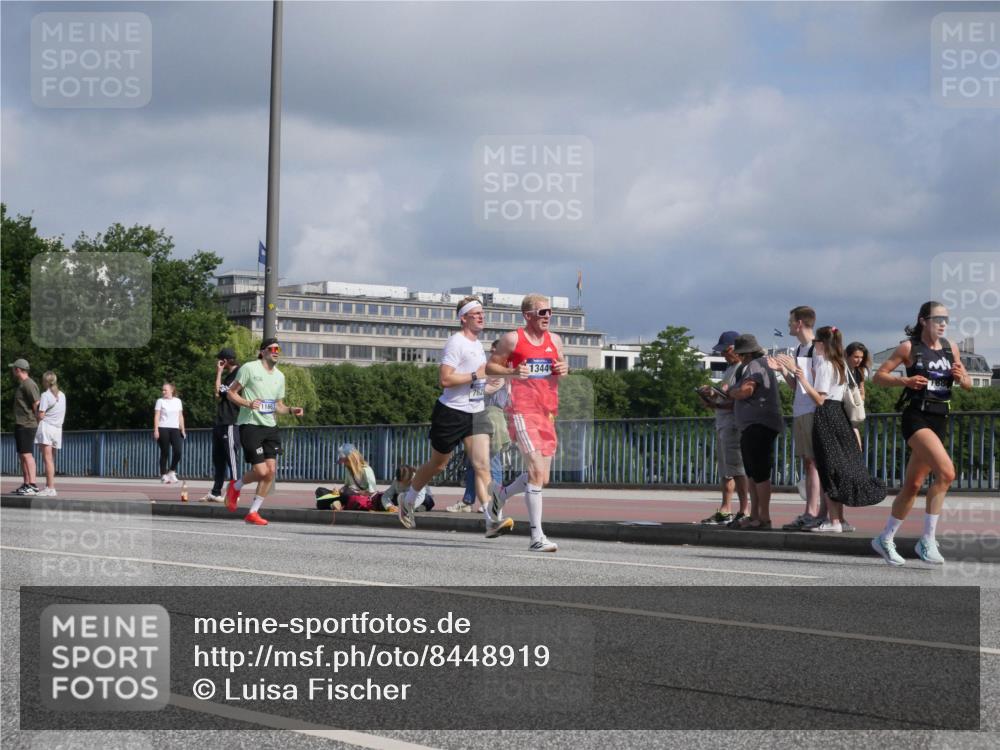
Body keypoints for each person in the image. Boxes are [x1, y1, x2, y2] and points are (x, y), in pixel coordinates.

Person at [870, 302, 971, 565]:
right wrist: (905, 380)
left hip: (941, 418)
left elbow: (969, 385)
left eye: (946, 319)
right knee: (947, 473)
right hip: (917, 416)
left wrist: (962, 378)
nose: (943, 323)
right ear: (923, 320)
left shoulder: (951, 348)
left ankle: (885, 538)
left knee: (913, 486)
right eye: (937, 318)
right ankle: (927, 541)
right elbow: (878, 377)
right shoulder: (909, 347)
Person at [398, 296, 506, 538]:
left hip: (476, 412)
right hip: (451, 412)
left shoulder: (478, 345)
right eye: (476, 313)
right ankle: (409, 498)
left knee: (482, 465)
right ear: (463, 318)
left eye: (482, 313)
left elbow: (475, 382)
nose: (481, 316)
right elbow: (445, 380)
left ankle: (491, 518)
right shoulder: (455, 343)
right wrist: (477, 376)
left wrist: (489, 386)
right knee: (439, 463)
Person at [487, 293, 568, 553]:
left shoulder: (555, 340)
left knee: (542, 477)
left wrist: (563, 369)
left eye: (549, 312)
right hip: (521, 410)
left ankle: (500, 495)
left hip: (547, 412)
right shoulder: (513, 339)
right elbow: (491, 367)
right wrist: (512, 371)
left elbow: (560, 367)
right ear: (528, 315)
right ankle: (536, 536)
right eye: (542, 312)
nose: (548, 316)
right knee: (534, 471)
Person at [794, 327, 885, 533]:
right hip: (840, 417)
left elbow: (820, 399)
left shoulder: (826, 365)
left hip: (826, 416)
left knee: (829, 468)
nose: (814, 344)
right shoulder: (842, 365)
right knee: (839, 466)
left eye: (817, 341)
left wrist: (803, 379)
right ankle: (840, 519)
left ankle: (833, 521)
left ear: (823, 343)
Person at [225, 338, 304, 526]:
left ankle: (252, 512)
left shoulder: (280, 376)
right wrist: (248, 403)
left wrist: (292, 410)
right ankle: (235, 486)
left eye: (279, 349)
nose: (276, 351)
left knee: (271, 472)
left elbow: (279, 406)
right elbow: (231, 392)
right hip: (250, 424)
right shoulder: (250, 368)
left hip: (270, 427)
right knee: (261, 471)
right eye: (272, 348)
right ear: (263, 352)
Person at [773, 306, 825, 531]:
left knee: (815, 462)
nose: (788, 325)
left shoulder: (817, 349)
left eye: (791, 321)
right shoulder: (798, 350)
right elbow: (796, 387)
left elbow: (819, 384)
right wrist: (784, 371)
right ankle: (810, 509)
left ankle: (814, 511)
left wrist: (794, 369)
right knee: (807, 461)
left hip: (814, 410)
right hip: (801, 409)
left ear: (800, 323)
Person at [725, 334, 784, 530]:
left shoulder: (755, 365)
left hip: (759, 424)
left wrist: (731, 392)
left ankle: (763, 517)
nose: (739, 358)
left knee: (759, 472)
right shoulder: (759, 363)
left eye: (741, 354)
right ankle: (756, 515)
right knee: (752, 473)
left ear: (746, 353)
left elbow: (746, 391)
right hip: (754, 424)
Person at [448, 339, 510, 513]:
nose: (491, 351)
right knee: (472, 462)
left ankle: (494, 502)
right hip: (477, 415)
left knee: (492, 462)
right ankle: (468, 500)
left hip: (492, 416)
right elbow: (475, 391)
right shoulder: (485, 368)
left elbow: (479, 391)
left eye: (495, 348)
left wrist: (475, 388)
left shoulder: (501, 371)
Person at [696, 331, 749, 526]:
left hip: (734, 424)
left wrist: (715, 403)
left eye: (726, 351)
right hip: (724, 423)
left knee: (737, 469)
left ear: (735, 348)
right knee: (726, 470)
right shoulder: (730, 368)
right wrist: (712, 394)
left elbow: (737, 400)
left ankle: (744, 510)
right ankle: (726, 508)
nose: (723, 355)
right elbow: (726, 395)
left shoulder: (742, 368)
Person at [204, 348, 241, 502]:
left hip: (231, 421)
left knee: (231, 459)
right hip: (220, 422)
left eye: (220, 360)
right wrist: (219, 373)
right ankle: (216, 491)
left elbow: (222, 391)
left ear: (225, 360)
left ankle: (234, 493)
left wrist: (219, 373)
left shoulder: (240, 373)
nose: (218, 363)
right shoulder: (227, 376)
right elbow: (217, 393)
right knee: (218, 459)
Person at [9, 358, 40, 496]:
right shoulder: (22, 384)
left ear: (18, 370)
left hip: (28, 424)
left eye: (13, 368)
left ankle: (33, 484)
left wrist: (37, 420)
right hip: (21, 424)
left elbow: (37, 404)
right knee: (22, 455)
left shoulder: (29, 384)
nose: (12, 371)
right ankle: (26, 483)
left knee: (27, 455)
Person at [34, 371, 67, 498]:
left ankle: (50, 488)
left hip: (47, 428)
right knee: (51, 460)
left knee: (47, 460)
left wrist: (36, 409)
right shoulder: (62, 395)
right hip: (58, 429)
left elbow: (41, 415)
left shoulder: (45, 395)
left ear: (46, 382)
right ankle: (50, 486)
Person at [153, 383, 185, 483]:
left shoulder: (178, 401)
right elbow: (157, 416)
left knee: (178, 451)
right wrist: (156, 430)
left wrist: (183, 429)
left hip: (175, 428)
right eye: (162, 390)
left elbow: (180, 416)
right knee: (165, 452)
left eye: (165, 390)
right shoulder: (160, 401)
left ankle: (171, 471)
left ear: (171, 390)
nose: (163, 392)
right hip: (163, 428)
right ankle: (163, 475)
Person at [845, 341, 871, 447]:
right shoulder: (842, 369)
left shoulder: (859, 371)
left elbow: (862, 391)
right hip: (842, 410)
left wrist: (859, 398)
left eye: (861, 357)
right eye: (856, 357)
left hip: (851, 413)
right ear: (847, 355)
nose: (859, 360)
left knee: (856, 446)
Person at [336, 443, 378, 511]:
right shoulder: (348, 469)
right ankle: (340, 504)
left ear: (351, 459)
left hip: (363, 498)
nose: (344, 463)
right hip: (351, 496)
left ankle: (340, 504)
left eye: (345, 460)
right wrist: (340, 490)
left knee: (347, 496)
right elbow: (347, 486)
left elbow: (372, 492)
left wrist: (358, 492)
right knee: (321, 491)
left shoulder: (366, 470)